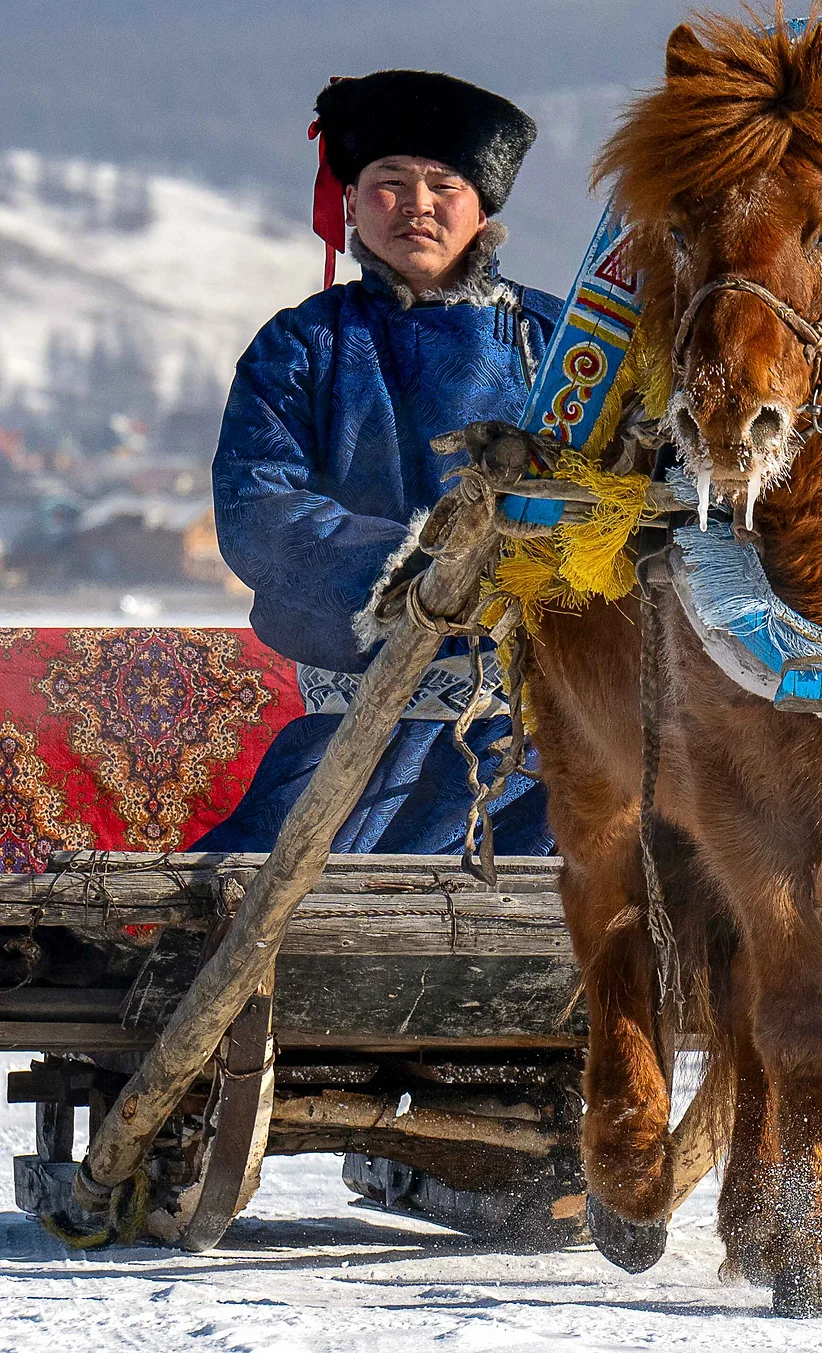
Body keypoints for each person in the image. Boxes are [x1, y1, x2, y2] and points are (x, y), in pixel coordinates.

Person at [194, 70, 562, 854]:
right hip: (356, 736)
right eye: (390, 184)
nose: (417, 205)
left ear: (483, 205)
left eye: (443, 184)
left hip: (543, 747)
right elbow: (258, 506)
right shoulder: (301, 346)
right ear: (354, 203)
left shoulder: (561, 345)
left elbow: (622, 487)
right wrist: (423, 568)